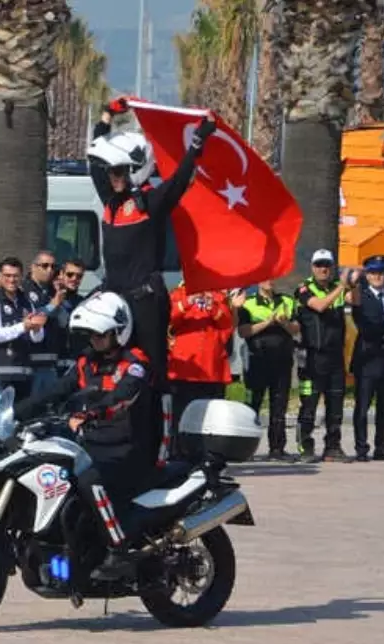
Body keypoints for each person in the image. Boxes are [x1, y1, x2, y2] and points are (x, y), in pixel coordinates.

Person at [14, 292, 155, 581]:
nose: (95, 340)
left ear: (118, 331)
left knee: (87, 478)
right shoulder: (85, 363)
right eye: (90, 335)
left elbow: (122, 397)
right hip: (92, 443)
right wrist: (16, 411)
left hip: (129, 448)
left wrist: (92, 413)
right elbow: (55, 390)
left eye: (100, 334)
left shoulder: (135, 363)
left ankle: (119, 549)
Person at [87, 100, 213, 383]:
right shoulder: (111, 202)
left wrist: (197, 141)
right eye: (112, 171)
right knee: (110, 362)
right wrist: (107, 115)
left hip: (145, 299)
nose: (113, 176)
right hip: (115, 297)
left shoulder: (150, 202)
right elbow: (95, 160)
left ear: (134, 169)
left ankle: (158, 423)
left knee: (151, 368)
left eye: (120, 171)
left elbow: (180, 180)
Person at [293, 249, 353, 462]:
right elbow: (319, 306)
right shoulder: (303, 289)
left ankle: (333, 447)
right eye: (319, 265)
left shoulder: (338, 287)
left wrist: (356, 282)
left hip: (335, 357)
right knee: (309, 404)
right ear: (312, 267)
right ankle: (305, 448)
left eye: (327, 264)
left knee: (335, 406)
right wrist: (341, 287)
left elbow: (356, 301)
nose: (323, 269)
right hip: (311, 358)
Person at [348, 255, 384, 462]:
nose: (377, 277)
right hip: (367, 357)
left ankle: (382, 446)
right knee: (363, 406)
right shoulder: (361, 297)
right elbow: (367, 326)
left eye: (381, 273)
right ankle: (361, 448)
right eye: (373, 273)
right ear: (367, 275)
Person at [238, 280, 299, 460]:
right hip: (257, 361)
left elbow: (295, 329)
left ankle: (277, 448)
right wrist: (267, 322)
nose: (270, 282)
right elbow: (243, 331)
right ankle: (246, 450)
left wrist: (284, 323)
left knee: (279, 407)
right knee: (253, 405)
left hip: (282, 362)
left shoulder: (287, 301)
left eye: (273, 278)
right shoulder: (248, 303)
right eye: (266, 278)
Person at [166, 284, 234, 440]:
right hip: (185, 369)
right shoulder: (178, 294)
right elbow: (168, 320)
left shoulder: (218, 296)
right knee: (182, 416)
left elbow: (227, 325)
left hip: (211, 370)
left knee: (212, 418)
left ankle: (210, 452)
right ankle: (179, 452)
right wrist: (187, 302)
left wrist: (213, 307)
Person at [0, 257, 46, 401]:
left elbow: (38, 339)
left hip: (25, 372)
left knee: (22, 420)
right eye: (7, 276)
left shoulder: (26, 301)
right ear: (0, 277)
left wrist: (37, 327)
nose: (12, 280)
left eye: (15, 276)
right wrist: (23, 326)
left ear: (21, 277)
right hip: (0, 374)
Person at [22, 251, 66, 395]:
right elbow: (33, 317)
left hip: (51, 360)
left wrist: (60, 300)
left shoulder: (52, 290)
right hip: (32, 362)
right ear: (33, 267)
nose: (50, 270)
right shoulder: (25, 289)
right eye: (45, 266)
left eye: (53, 267)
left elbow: (63, 321)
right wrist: (53, 305)